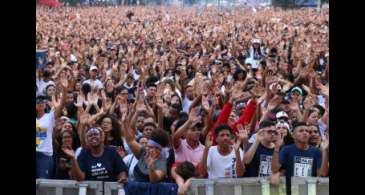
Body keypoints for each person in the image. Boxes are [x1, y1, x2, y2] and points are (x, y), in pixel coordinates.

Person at [63, 127, 128, 182]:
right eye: (90, 136)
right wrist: (73, 158)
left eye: (96, 134)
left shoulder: (112, 152)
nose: (93, 136)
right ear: (87, 141)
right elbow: (80, 178)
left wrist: (122, 178)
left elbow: (121, 170)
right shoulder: (83, 155)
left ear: (101, 138)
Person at [122, 112, 170, 182]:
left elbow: (154, 180)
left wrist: (151, 168)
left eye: (154, 148)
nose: (149, 149)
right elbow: (130, 141)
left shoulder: (162, 161)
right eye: (149, 147)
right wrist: (125, 122)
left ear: (160, 150)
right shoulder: (143, 152)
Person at [36, 76, 68, 179]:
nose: (40, 103)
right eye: (37, 101)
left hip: (44, 156)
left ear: (45, 104)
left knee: (43, 185)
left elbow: (61, 106)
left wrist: (65, 89)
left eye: (42, 101)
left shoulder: (49, 117)